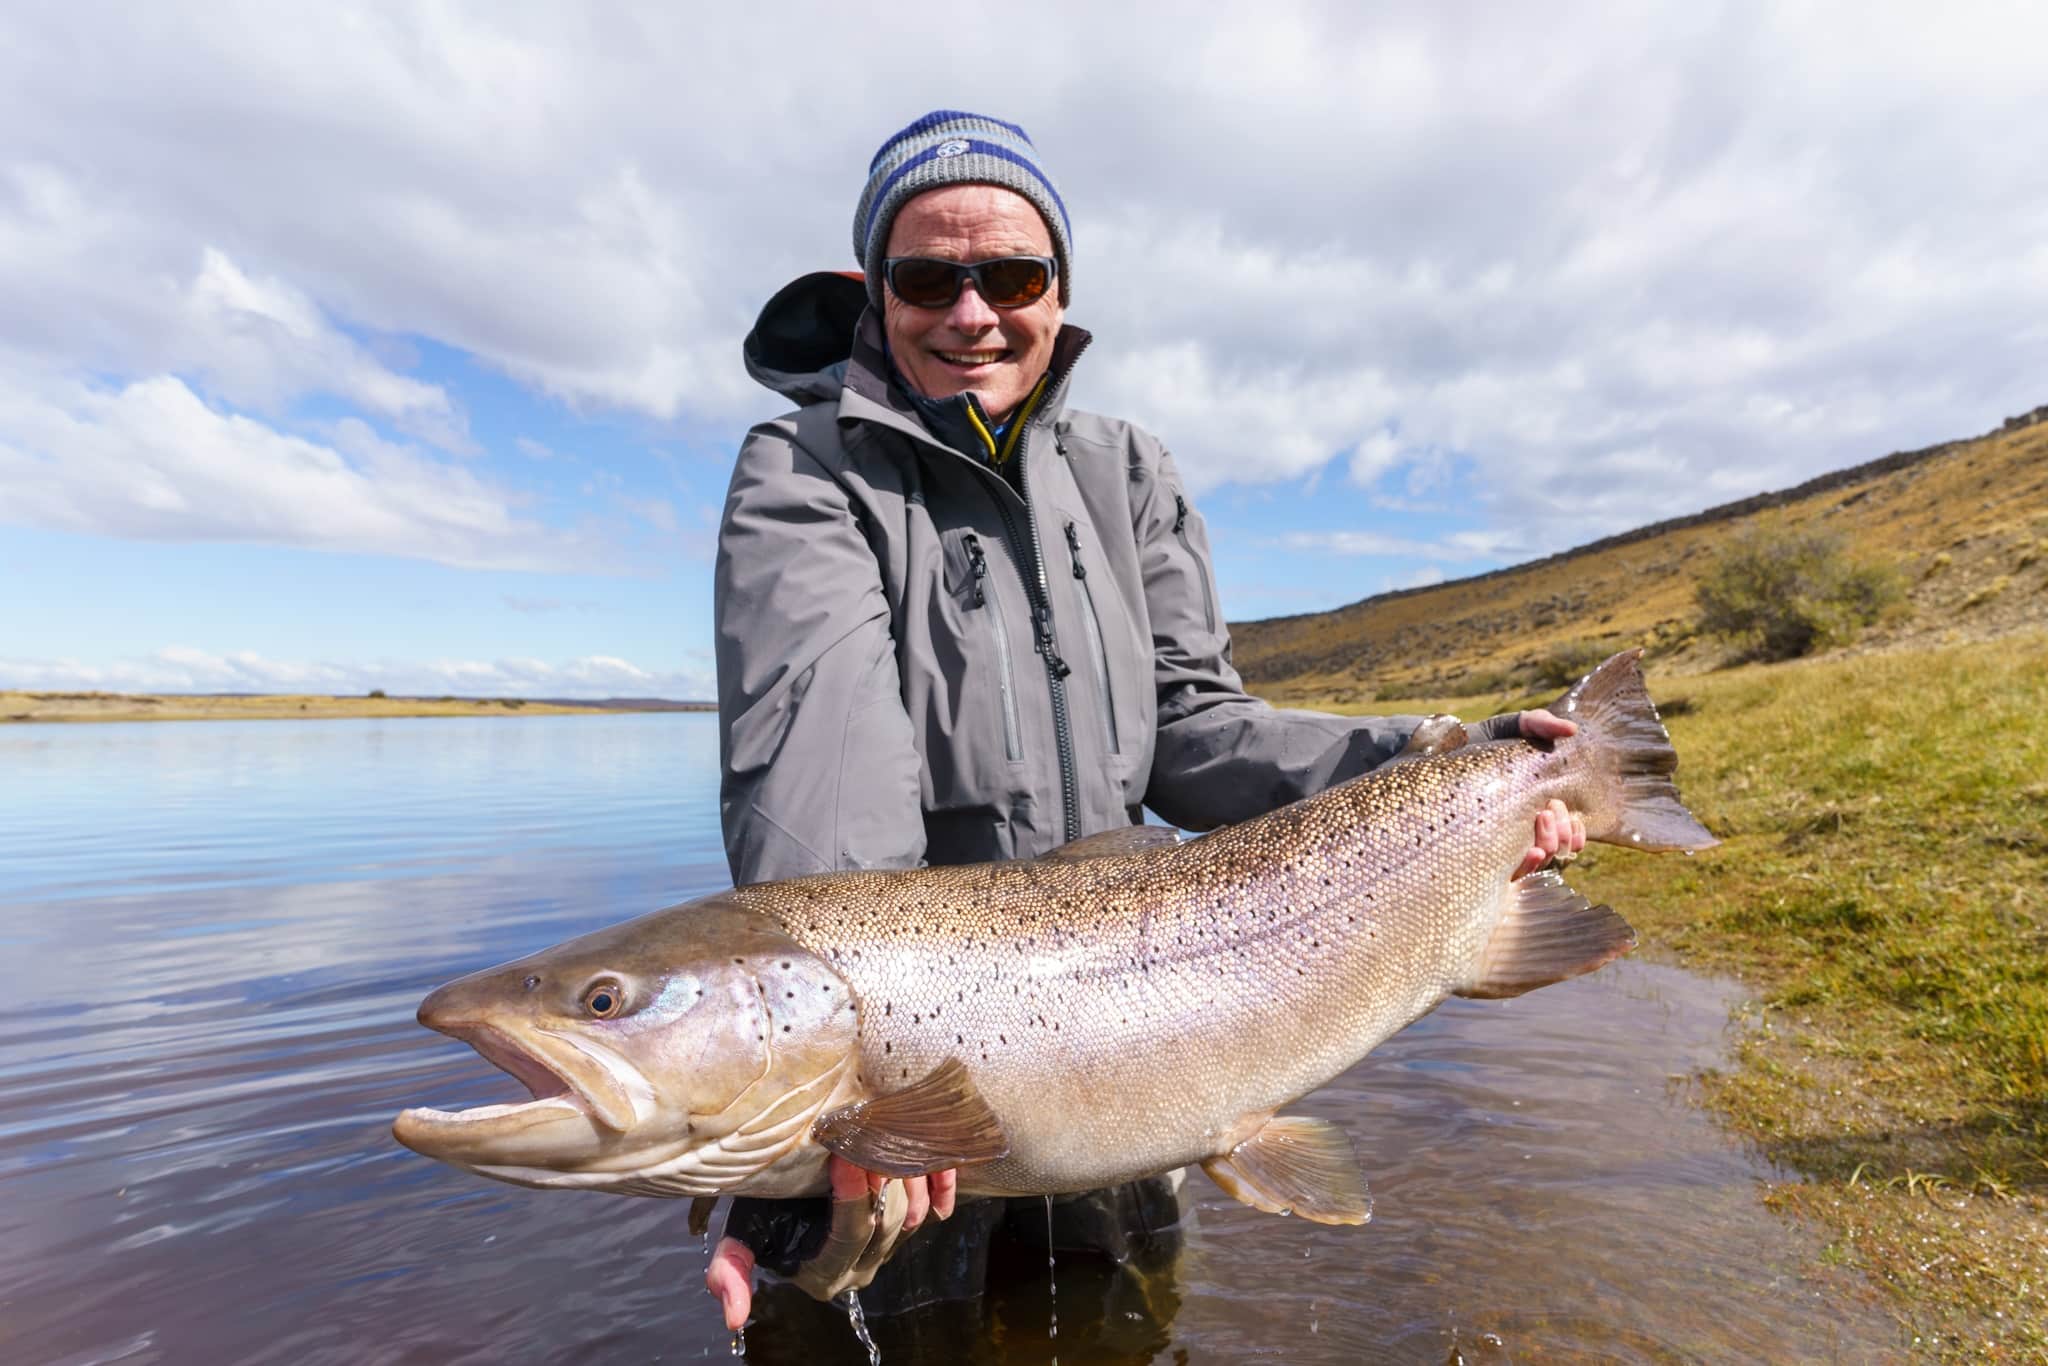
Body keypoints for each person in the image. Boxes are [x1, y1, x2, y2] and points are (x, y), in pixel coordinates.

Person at [705, 110, 1585, 1332]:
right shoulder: (802, 472)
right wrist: (826, 1100)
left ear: (1058, 290)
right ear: (876, 294)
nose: (972, 313)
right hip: (922, 1086)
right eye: (927, 277)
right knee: (899, 1328)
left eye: (1010, 275)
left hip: (1142, 1034)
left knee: (1129, 1317)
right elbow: (820, 780)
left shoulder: (1129, 471)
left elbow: (1194, 731)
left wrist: (1437, 761)